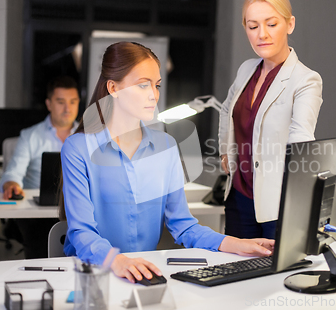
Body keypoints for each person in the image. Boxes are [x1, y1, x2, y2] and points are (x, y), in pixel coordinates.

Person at [60, 41, 274, 283]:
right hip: (93, 275)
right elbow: (82, 232)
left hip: (144, 275)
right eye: (143, 85)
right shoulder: (78, 148)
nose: (153, 94)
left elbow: (183, 226)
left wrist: (237, 244)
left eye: (156, 85)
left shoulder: (166, 147)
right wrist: (117, 261)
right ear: (113, 88)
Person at [218, 0, 323, 239]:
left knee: (274, 276)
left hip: (277, 202)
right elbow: (226, 108)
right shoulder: (246, 69)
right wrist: (225, 151)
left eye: (271, 24)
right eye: (253, 27)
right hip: (239, 195)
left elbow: (301, 139)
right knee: (235, 272)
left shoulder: (306, 79)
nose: (261, 34)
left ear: (290, 24)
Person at [0, 75, 80, 258]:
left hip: (76, 206)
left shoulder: (88, 136)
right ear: (49, 104)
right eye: (60, 102)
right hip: (38, 215)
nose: (68, 108)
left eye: (73, 102)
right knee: (41, 241)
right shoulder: (30, 136)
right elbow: (13, 172)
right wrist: (11, 184)